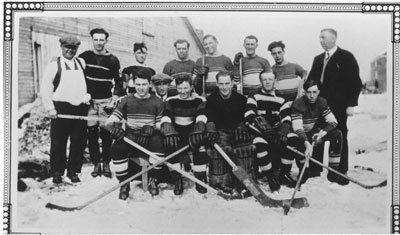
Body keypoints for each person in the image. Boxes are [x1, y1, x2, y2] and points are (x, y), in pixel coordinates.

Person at [307, 28, 362, 184]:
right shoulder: (318, 59)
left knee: (339, 133)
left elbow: (355, 83)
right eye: (319, 37)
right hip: (318, 105)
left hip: (339, 105)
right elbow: (311, 80)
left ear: (333, 39)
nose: (320, 40)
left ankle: (339, 171)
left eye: (323, 37)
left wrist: (351, 104)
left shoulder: (346, 57)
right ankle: (314, 168)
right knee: (316, 132)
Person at [106, 67, 164, 200]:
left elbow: (161, 125)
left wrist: (152, 128)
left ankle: (153, 179)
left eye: (144, 84)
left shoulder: (157, 102)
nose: (141, 88)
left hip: (149, 136)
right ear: (133, 84)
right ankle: (124, 183)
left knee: (159, 144)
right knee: (117, 147)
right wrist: (116, 129)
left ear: (149, 84)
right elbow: (110, 121)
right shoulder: (127, 100)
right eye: (138, 84)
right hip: (130, 137)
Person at [40, 34, 91, 184]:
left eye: (73, 48)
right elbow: (45, 89)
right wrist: (50, 108)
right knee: (58, 142)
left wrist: (86, 96)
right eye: (67, 47)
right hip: (60, 108)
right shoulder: (54, 65)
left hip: (79, 108)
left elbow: (85, 84)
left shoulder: (81, 63)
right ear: (62, 47)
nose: (70, 50)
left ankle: (73, 171)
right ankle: (57, 172)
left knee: (78, 142)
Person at [79, 28, 123, 178]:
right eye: (96, 40)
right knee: (91, 134)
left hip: (105, 102)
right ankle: (96, 163)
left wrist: (114, 99)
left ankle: (106, 163)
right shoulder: (84, 57)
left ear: (106, 41)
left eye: (101, 40)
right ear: (92, 40)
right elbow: (75, 74)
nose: (98, 43)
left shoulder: (113, 60)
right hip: (89, 102)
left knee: (106, 134)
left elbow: (119, 81)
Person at [205, 70, 254, 196]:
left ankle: (245, 183)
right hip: (221, 132)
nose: (224, 87)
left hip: (238, 131)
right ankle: (223, 183)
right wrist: (211, 127)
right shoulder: (211, 99)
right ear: (217, 84)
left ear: (232, 83)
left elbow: (246, 117)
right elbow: (209, 117)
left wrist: (242, 126)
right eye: (221, 84)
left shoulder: (241, 99)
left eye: (227, 83)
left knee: (244, 149)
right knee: (223, 149)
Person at [244, 70, 293, 192]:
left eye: (270, 79)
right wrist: (263, 127)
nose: (267, 82)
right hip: (259, 132)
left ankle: (283, 174)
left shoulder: (282, 99)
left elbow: (286, 117)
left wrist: (282, 131)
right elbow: (249, 114)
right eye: (264, 79)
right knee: (260, 144)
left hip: (276, 132)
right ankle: (270, 176)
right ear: (260, 81)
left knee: (291, 140)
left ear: (275, 81)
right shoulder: (253, 96)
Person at [160, 74, 209, 195]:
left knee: (199, 144)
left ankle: (200, 178)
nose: (182, 91)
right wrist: (167, 126)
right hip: (177, 132)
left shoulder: (199, 100)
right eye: (179, 88)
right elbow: (167, 115)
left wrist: (199, 126)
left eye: (185, 88)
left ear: (191, 87)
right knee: (169, 144)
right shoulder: (170, 100)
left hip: (193, 131)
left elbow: (201, 114)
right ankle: (177, 179)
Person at [289, 79, 343, 185]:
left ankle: (333, 173)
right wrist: (307, 144)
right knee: (297, 140)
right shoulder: (297, 104)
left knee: (337, 134)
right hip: (300, 135)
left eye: (315, 92)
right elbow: (298, 129)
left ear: (318, 92)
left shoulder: (322, 102)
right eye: (309, 92)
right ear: (304, 92)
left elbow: (333, 122)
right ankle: (303, 172)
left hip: (312, 133)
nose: (312, 96)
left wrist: (323, 132)